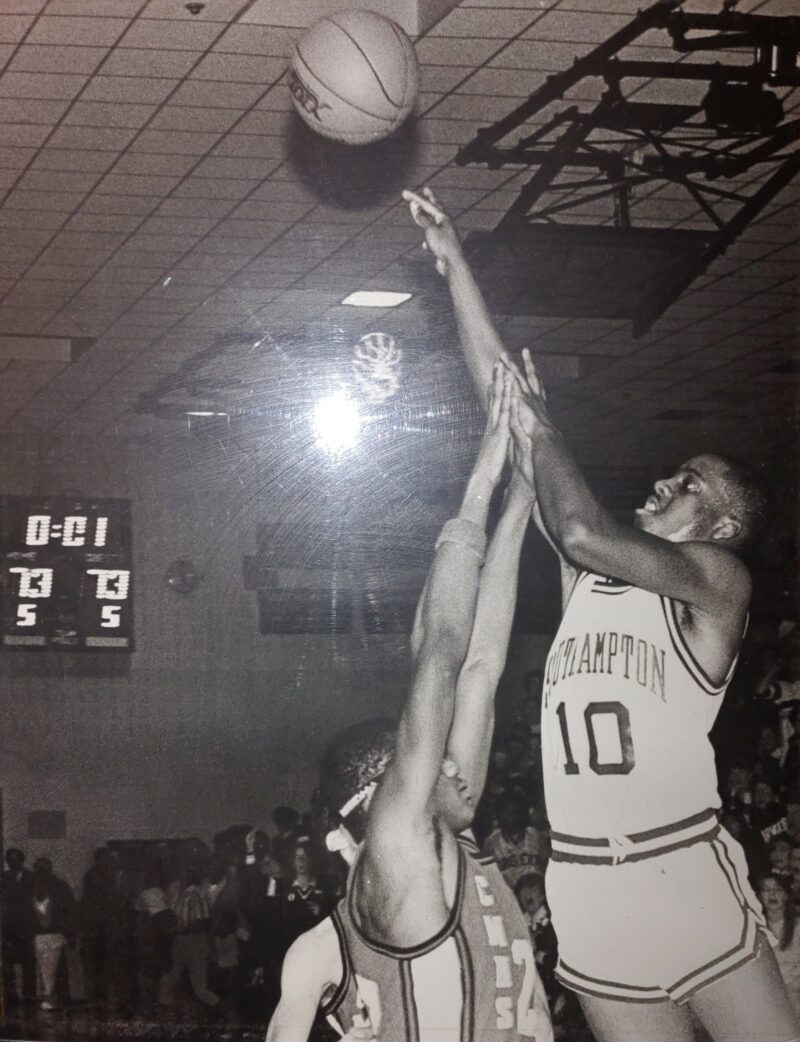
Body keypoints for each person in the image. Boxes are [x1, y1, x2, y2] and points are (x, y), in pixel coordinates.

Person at [405, 185, 799, 1042]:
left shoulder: (718, 582)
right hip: (585, 882)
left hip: (680, 864)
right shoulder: (595, 583)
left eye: (688, 483)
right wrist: (456, 266)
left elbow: (581, 529)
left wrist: (545, 428)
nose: (664, 482)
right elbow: (505, 411)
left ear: (721, 524)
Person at [267, 368, 552, 1042]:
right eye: (429, 765)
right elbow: (442, 655)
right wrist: (480, 484)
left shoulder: (447, 839)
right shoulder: (398, 853)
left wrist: (522, 500)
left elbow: (482, 666)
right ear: (388, 790)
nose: (452, 768)